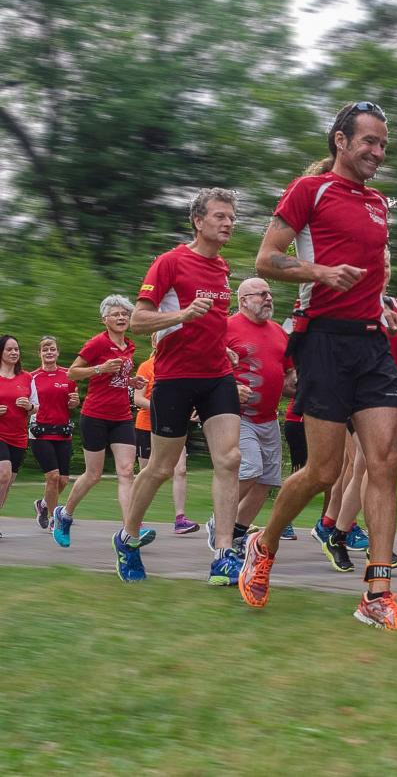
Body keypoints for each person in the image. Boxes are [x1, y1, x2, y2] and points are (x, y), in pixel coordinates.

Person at [239, 100, 397, 632]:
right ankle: (263, 544)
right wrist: (320, 272)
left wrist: (382, 305)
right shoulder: (307, 190)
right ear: (340, 141)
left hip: (370, 345)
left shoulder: (379, 204)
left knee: (385, 461)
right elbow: (266, 258)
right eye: (369, 141)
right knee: (323, 471)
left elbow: (372, 273)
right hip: (322, 342)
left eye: (383, 144)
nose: (378, 152)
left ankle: (377, 593)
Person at [113, 187, 242, 585]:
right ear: (198, 221)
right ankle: (127, 538)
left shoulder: (222, 268)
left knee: (230, 459)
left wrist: (223, 347)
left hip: (217, 375)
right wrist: (183, 314)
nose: (228, 223)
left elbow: (213, 321)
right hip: (174, 379)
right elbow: (138, 320)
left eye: (232, 218)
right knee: (160, 467)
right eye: (220, 216)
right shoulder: (169, 263)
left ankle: (223, 552)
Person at [314, 248, 397, 571]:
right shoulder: (353, 302)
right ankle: (343, 534)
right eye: (377, 263)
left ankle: (343, 534)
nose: (383, 269)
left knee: (369, 468)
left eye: (387, 263)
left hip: (389, 391)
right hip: (355, 393)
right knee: (366, 466)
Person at [52, 296, 145, 547]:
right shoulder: (97, 343)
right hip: (95, 416)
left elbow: (118, 379)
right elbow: (72, 372)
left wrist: (132, 381)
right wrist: (99, 369)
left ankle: (130, 531)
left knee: (127, 472)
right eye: (115, 314)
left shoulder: (129, 346)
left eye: (125, 314)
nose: (121, 318)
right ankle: (65, 514)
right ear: (105, 319)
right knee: (93, 474)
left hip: (122, 417)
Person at [222, 277, 295, 548]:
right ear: (243, 300)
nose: (268, 298)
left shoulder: (278, 332)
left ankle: (237, 532)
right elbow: (205, 368)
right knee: (251, 468)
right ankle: (220, 523)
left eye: (270, 294)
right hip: (236, 416)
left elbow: (289, 376)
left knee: (267, 480)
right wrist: (230, 386)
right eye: (261, 294)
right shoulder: (226, 328)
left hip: (268, 418)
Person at [133, 335, 198, 535]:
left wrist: (192, 408)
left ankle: (180, 519)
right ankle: (136, 520)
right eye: (160, 338)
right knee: (147, 474)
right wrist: (165, 408)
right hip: (147, 426)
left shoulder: (182, 366)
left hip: (175, 428)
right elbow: (138, 399)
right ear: (154, 342)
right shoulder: (146, 366)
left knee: (181, 470)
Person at [29, 336, 80, 529]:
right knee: (52, 476)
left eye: (52, 349)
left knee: (64, 479)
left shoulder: (69, 375)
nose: (49, 352)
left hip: (62, 431)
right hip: (40, 431)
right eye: (45, 349)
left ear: (58, 352)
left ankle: (42, 505)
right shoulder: (31, 377)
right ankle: (54, 518)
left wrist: (74, 403)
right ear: (40, 353)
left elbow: (73, 403)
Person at [0, 335, 35, 535]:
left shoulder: (27, 378)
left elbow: (36, 407)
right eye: (9, 349)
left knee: (7, 482)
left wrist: (29, 406)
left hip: (19, 437)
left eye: (16, 349)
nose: (14, 353)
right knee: (3, 473)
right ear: (1, 352)